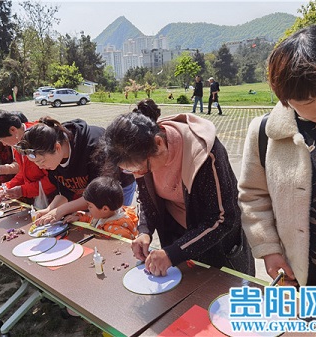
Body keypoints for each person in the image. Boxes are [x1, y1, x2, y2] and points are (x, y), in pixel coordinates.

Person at [102, 98, 254, 276]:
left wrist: (173, 253)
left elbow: (223, 218)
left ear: (159, 143)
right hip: (177, 239)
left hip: (216, 244)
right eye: (131, 171)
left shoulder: (203, 152)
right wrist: (144, 231)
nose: (140, 174)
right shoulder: (140, 155)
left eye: (144, 168)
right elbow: (146, 199)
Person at [238, 24, 316, 301]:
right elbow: (253, 196)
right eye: (308, 99)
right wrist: (269, 250)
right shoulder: (266, 133)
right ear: (285, 96)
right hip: (307, 275)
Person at [16, 116, 136, 225]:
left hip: (115, 186)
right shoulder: (52, 157)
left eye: (41, 162)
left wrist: (61, 210)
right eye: (36, 163)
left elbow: (99, 195)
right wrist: (50, 210)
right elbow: (64, 190)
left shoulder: (94, 146)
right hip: (91, 193)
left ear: (57, 147)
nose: (40, 167)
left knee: (113, 223)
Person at [0, 110, 56, 204]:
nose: (4, 144)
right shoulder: (17, 142)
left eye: (2, 140)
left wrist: (22, 190)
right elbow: (24, 172)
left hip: (56, 199)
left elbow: (53, 179)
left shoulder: (38, 137)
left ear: (13, 130)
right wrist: (7, 186)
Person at [63, 176, 139, 239]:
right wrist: (79, 218)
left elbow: (123, 247)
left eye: (90, 206)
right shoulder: (103, 214)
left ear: (105, 209)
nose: (88, 208)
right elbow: (91, 218)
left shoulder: (119, 231)